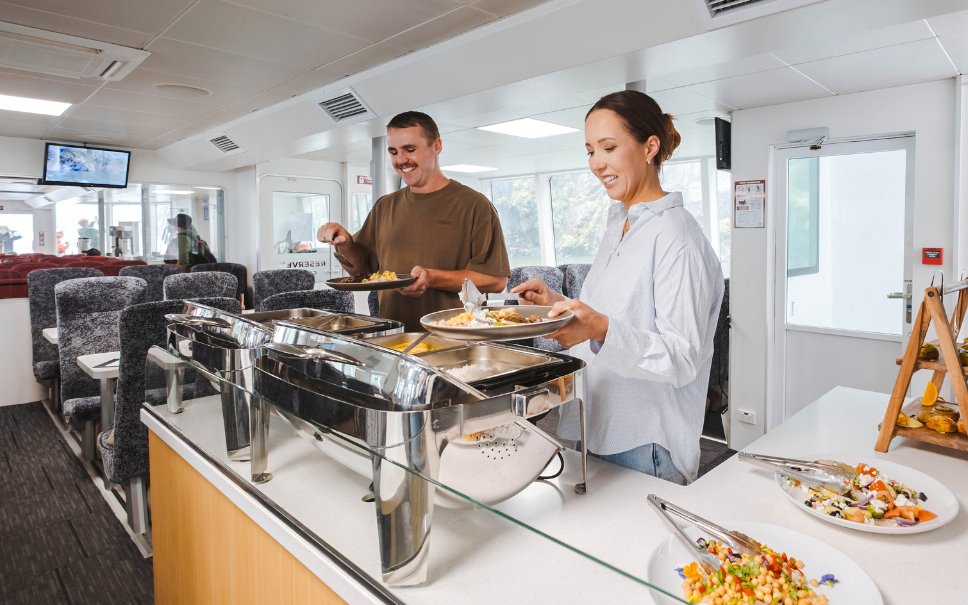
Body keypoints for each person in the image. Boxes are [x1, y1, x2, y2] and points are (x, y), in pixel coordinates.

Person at [512, 90, 724, 484]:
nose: (597, 164)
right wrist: (556, 304)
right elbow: (614, 313)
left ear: (650, 147)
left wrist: (600, 328)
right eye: (590, 151)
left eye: (608, 147)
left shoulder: (677, 236)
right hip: (597, 424)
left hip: (646, 443)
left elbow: (682, 358)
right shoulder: (620, 223)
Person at [317, 111, 511, 331]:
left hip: (456, 342)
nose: (400, 160)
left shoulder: (475, 205)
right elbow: (360, 271)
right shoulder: (385, 206)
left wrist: (433, 278)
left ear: (436, 146)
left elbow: (496, 280)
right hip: (394, 338)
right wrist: (345, 243)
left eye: (410, 149)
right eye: (393, 152)